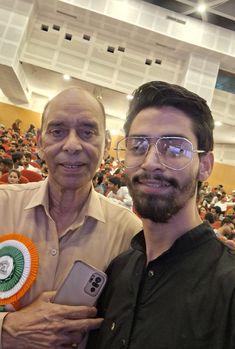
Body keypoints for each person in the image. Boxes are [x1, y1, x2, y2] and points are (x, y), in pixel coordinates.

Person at [87, 81, 235, 349]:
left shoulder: (229, 286)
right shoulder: (118, 270)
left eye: (175, 148)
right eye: (138, 145)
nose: (151, 162)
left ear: (205, 166)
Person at [0, 87, 142, 349]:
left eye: (87, 132)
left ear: (106, 143)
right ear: (40, 142)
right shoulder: (2, 204)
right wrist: (5, 328)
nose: (73, 145)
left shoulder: (129, 233)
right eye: (57, 131)